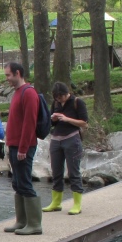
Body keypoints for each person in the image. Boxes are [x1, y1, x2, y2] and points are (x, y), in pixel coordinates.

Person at [3, 61, 42, 235]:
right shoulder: (17, 93)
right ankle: (22, 221)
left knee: (25, 183)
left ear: (18, 73)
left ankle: (34, 224)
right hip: (14, 145)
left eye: (8, 75)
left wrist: (23, 148)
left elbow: (29, 123)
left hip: (23, 147)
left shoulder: (29, 93)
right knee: (17, 183)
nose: (7, 79)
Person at [43, 82, 88, 215]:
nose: (59, 100)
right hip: (56, 139)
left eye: (61, 97)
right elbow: (52, 123)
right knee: (56, 172)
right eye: (56, 98)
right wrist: (53, 119)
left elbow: (84, 123)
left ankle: (77, 204)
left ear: (66, 94)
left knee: (73, 172)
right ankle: (56, 203)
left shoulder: (78, 102)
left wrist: (67, 119)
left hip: (72, 139)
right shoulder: (55, 104)